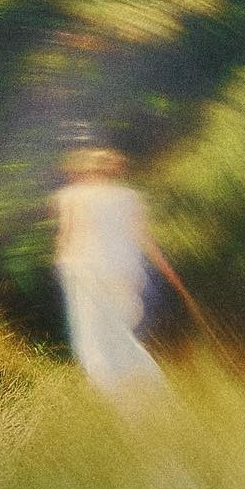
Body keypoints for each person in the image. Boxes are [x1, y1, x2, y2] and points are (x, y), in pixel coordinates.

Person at [53, 148, 187, 393]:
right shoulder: (129, 197)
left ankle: (118, 399)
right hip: (126, 274)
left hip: (89, 272)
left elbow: (67, 236)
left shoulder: (72, 196)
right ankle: (151, 391)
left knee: (94, 342)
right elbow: (145, 239)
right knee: (123, 336)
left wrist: (62, 266)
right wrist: (170, 273)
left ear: (87, 171)